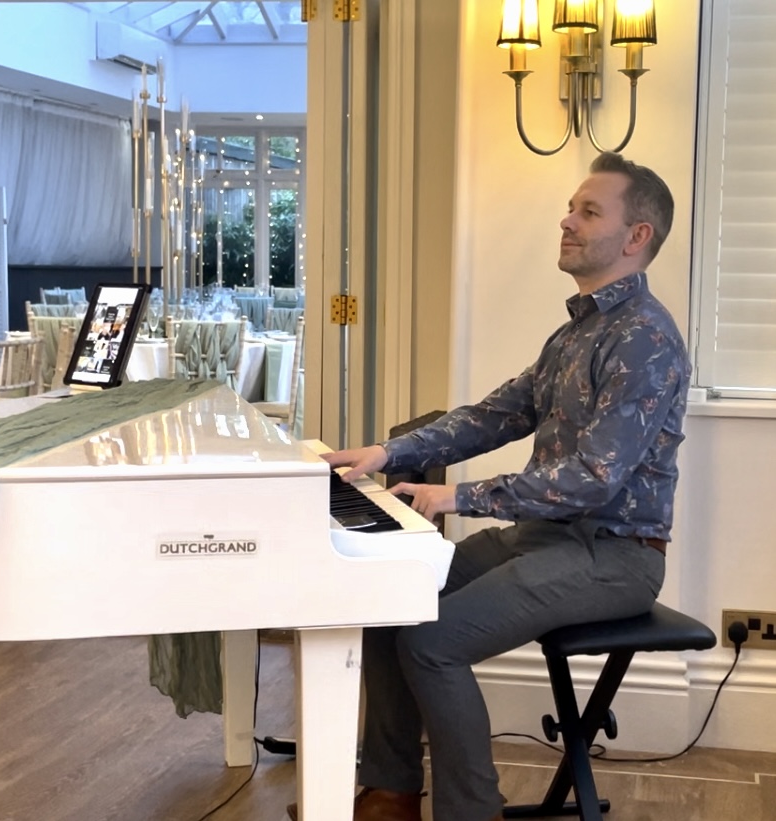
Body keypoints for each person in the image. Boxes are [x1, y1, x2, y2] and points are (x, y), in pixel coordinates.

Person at [287, 152, 690, 821]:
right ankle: (389, 794)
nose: (565, 220)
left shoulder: (644, 338)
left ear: (635, 236)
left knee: (432, 642)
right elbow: (494, 415)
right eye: (571, 206)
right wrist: (389, 451)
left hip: (614, 555)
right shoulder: (575, 332)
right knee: (394, 602)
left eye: (588, 211)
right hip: (544, 539)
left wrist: (456, 497)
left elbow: (592, 479)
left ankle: (468, 812)